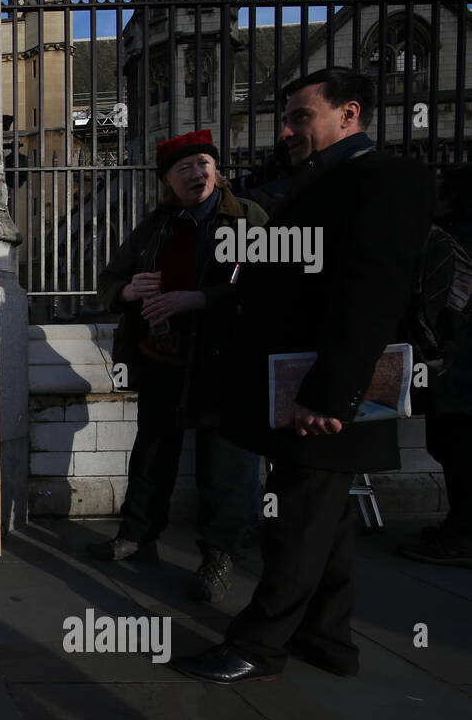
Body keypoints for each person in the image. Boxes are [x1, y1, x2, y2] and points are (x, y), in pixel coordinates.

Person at [173, 68, 436, 683]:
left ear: (349, 114)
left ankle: (259, 646)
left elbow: (371, 294)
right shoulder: (315, 180)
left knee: (295, 522)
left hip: (327, 391)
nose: (288, 129)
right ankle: (327, 638)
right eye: (286, 117)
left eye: (301, 117)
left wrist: (330, 394)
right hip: (298, 384)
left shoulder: (382, 180)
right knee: (327, 518)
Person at [91, 129, 265, 602]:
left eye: (203, 164)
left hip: (223, 364)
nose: (197, 173)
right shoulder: (156, 225)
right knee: (152, 452)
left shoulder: (247, 220)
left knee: (223, 464)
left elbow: (267, 289)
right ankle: (137, 535)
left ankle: (219, 558)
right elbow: (111, 278)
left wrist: (198, 298)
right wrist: (128, 292)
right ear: (167, 180)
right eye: (184, 168)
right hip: (162, 361)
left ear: (217, 170)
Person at [398, 164, 472, 568]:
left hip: (457, 369)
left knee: (456, 447)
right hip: (458, 369)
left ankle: (462, 535)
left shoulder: (452, 238)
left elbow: (445, 307)